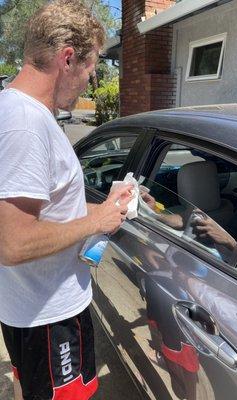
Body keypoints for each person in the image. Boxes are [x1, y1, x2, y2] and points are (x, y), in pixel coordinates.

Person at [0, 1, 133, 400]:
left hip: (30, 310)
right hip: (49, 318)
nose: (91, 81)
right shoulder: (26, 126)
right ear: (68, 58)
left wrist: (102, 210)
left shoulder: (17, 110)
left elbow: (48, 212)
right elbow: (14, 243)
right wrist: (97, 223)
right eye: (91, 70)